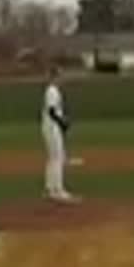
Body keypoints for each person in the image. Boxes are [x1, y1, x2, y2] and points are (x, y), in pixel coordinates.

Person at [42, 67, 76, 203]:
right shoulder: (52, 91)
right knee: (58, 158)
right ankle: (58, 190)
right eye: (60, 76)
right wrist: (62, 122)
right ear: (54, 77)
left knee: (53, 158)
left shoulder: (52, 90)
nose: (62, 79)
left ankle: (50, 189)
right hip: (52, 127)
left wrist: (62, 122)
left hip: (50, 127)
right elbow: (51, 111)